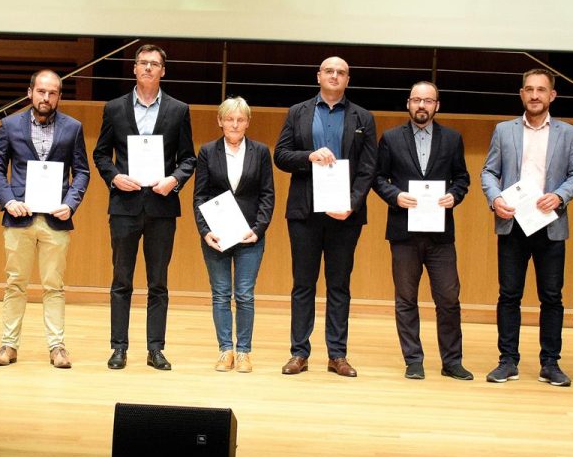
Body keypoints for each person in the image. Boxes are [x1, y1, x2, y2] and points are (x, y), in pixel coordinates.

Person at [93, 43, 196, 371]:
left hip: (161, 207)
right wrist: (114, 177)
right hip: (124, 206)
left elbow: (188, 158)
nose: (148, 67)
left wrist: (174, 180)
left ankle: (155, 349)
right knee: (121, 280)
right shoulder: (114, 108)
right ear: (135, 68)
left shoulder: (178, 110)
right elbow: (100, 154)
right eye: (143, 63)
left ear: (163, 71)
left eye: (154, 63)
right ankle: (118, 347)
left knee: (158, 283)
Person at [274, 56, 377, 377]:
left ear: (348, 79)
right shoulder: (298, 112)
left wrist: (352, 204)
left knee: (339, 285)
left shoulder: (363, 117)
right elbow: (280, 155)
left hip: (345, 215)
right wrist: (309, 156)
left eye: (341, 72)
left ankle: (337, 355)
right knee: (303, 284)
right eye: (329, 71)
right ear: (318, 76)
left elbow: (368, 168)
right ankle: (299, 353)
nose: (334, 76)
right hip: (304, 212)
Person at [479, 68, 573, 386]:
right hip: (512, 223)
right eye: (529, 89)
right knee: (509, 295)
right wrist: (495, 199)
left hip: (550, 224)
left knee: (551, 297)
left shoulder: (569, 133)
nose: (535, 95)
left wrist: (560, 196)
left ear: (552, 95)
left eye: (541, 90)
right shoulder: (504, 130)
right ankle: (507, 361)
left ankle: (550, 363)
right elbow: (488, 172)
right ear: (521, 94)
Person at [0, 69, 89, 368]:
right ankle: (8, 345)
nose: (46, 97)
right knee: (15, 283)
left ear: (59, 96)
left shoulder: (73, 128)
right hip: (19, 217)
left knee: (54, 286)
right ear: (30, 92)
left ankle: (57, 347)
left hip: (55, 219)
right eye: (41, 91)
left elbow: (82, 171)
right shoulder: (9, 125)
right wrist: (8, 201)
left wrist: (70, 204)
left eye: (53, 93)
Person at [373, 82, 472, 381]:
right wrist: (395, 196)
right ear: (408, 103)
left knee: (449, 299)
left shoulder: (452, 138)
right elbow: (378, 178)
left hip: (440, 234)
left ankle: (452, 361)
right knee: (406, 299)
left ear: (436, 105)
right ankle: (413, 360)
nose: (421, 105)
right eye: (416, 100)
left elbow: (462, 178)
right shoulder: (391, 138)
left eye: (428, 101)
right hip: (404, 232)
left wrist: (454, 195)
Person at [193, 97, 274, 373]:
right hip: (217, 237)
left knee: (245, 295)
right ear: (220, 121)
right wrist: (205, 231)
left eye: (240, 120)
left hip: (249, 236)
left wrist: (258, 229)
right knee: (220, 294)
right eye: (229, 119)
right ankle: (225, 350)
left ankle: (243, 352)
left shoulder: (260, 152)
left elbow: (267, 195)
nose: (235, 124)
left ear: (248, 122)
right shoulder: (207, 151)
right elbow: (200, 195)